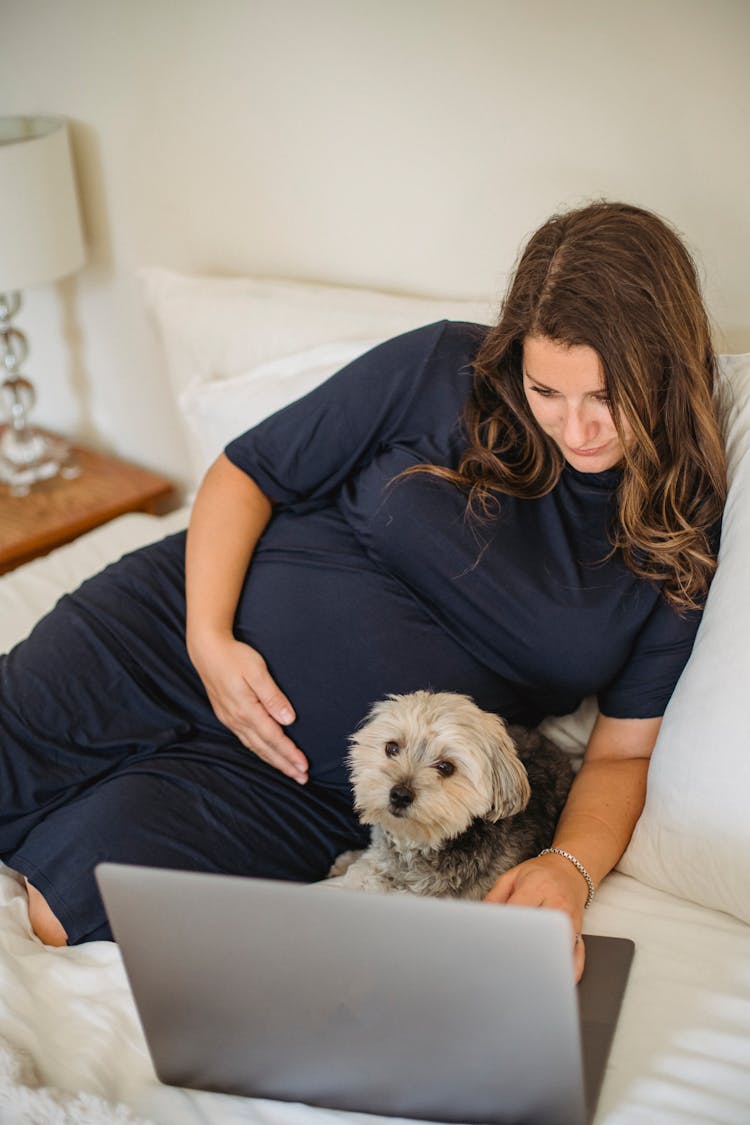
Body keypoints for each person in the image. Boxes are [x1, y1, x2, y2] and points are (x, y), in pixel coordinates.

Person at [0, 201, 726, 980]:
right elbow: (247, 473)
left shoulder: (674, 537)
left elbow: (623, 753)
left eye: (606, 397)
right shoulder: (441, 368)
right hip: (173, 629)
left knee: (64, 906)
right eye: (548, 390)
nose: (576, 427)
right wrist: (210, 641)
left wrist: (570, 870)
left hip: (313, 779)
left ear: (666, 365)